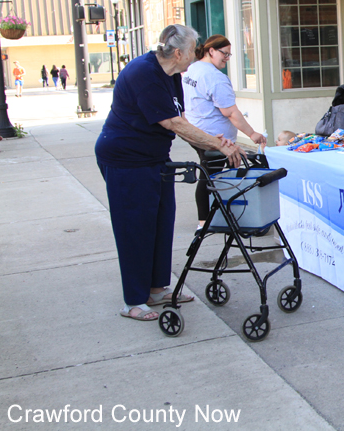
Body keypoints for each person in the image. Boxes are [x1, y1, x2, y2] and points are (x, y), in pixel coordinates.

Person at [95, 25, 245, 322]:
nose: (196, 55)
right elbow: (172, 123)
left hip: (154, 157)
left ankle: (156, 289)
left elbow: (181, 119)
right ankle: (133, 300)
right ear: (178, 52)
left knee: (162, 222)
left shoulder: (173, 74)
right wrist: (217, 145)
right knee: (135, 228)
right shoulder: (144, 74)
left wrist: (212, 141)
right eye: (193, 50)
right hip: (126, 159)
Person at [182, 34, 267, 230]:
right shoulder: (215, 77)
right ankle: (205, 222)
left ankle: (219, 213)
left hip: (196, 132)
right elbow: (230, 112)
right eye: (224, 54)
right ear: (211, 51)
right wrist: (252, 134)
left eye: (229, 55)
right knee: (210, 175)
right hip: (214, 138)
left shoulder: (193, 69)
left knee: (216, 172)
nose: (227, 58)